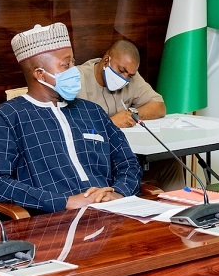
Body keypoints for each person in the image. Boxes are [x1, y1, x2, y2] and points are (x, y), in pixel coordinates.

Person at [0, 23, 141, 213]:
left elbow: (128, 163)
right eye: (66, 65)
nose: (74, 70)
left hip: (111, 218)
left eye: (73, 62)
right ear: (40, 74)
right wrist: (64, 202)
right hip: (51, 225)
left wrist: (118, 193)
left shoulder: (93, 112)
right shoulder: (6, 118)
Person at [77, 40, 182, 190]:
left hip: (126, 159)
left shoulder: (130, 76)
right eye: (121, 71)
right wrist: (110, 122)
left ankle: (179, 212)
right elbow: (72, 127)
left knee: (170, 163)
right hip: (94, 163)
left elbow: (159, 106)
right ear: (107, 60)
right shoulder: (78, 79)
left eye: (129, 75)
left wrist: (132, 114)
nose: (124, 78)